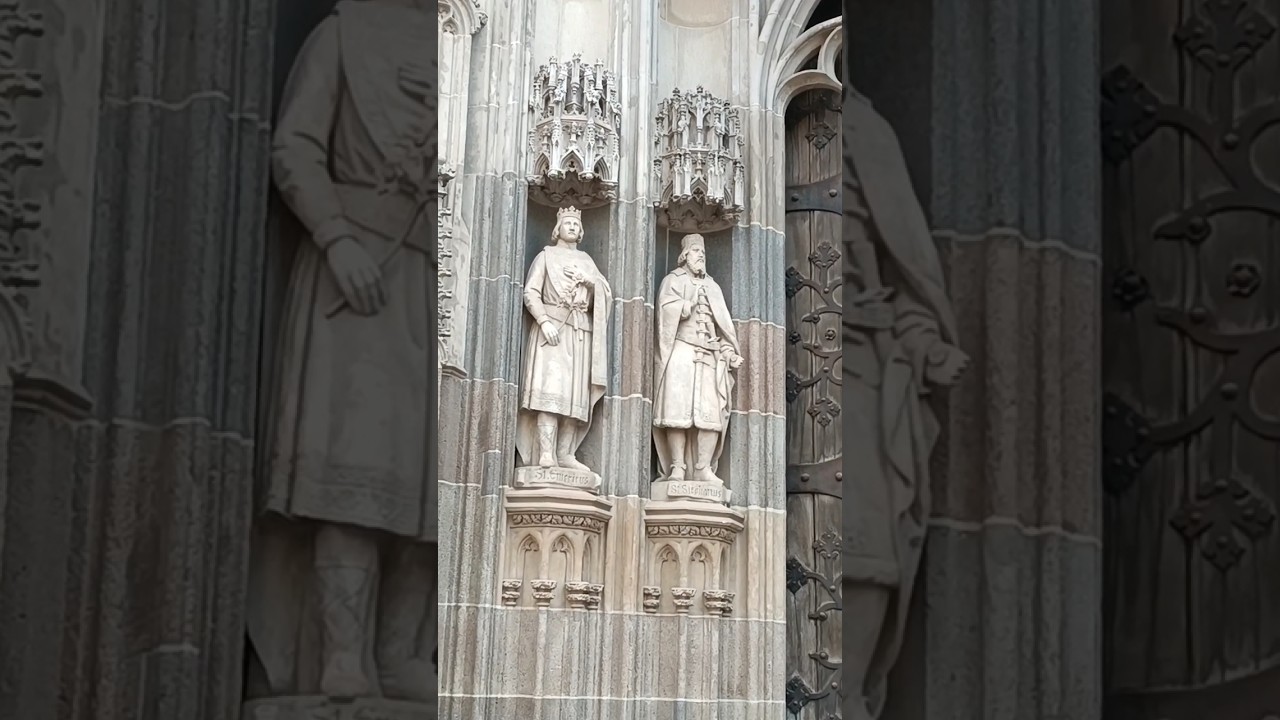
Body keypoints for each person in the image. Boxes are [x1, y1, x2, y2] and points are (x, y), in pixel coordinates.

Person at [245, 0, 435, 702]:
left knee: (425, 481)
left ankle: (397, 653)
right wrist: (335, 237)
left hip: (430, 280)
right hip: (357, 274)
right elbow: (294, 145)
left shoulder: (466, 43)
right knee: (351, 465)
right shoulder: (340, 34)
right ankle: (342, 653)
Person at [843, 87, 968, 720]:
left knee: (867, 548)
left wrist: (923, 346)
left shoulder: (867, 129)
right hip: (752, 366)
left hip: (859, 367)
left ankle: (847, 695)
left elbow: (905, 285)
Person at [514, 206, 612, 472]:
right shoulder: (545, 256)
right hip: (553, 330)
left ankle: (565, 453)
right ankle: (546, 453)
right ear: (557, 228)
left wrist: (591, 283)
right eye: (567, 222)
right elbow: (531, 293)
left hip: (580, 332)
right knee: (551, 391)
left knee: (575, 395)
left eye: (575, 224)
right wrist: (544, 321)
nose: (572, 227)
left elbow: (603, 294)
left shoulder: (587, 261)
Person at [652, 233, 744, 485]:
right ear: (684, 255)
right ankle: (678, 466)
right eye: (695, 251)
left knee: (710, 413)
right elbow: (663, 312)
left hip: (709, 356)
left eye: (702, 252)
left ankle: (703, 468)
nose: (700, 255)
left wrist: (729, 353)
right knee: (676, 411)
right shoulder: (673, 280)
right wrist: (685, 305)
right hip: (681, 351)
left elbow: (722, 328)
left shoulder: (713, 287)